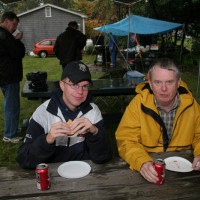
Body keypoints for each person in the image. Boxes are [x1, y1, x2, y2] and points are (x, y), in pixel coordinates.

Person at [115, 58, 200, 184]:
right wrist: (142, 162)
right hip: (149, 169)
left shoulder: (192, 105)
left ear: (178, 83)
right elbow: (126, 140)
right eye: (158, 82)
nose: (163, 88)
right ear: (150, 83)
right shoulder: (138, 104)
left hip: (185, 172)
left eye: (169, 82)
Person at [16, 61, 113, 169]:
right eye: (74, 85)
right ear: (62, 85)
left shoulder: (93, 112)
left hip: (85, 173)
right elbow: (24, 159)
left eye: (85, 86)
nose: (80, 91)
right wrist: (47, 139)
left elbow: (104, 157)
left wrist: (95, 132)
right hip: (52, 175)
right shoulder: (43, 113)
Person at [0, 11, 25, 143]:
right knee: (12, 106)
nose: (15, 27)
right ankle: (10, 135)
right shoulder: (5, 36)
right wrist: (18, 40)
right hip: (9, 76)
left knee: (10, 105)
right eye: (14, 24)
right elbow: (18, 52)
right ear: (7, 20)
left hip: (4, 75)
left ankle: (12, 129)